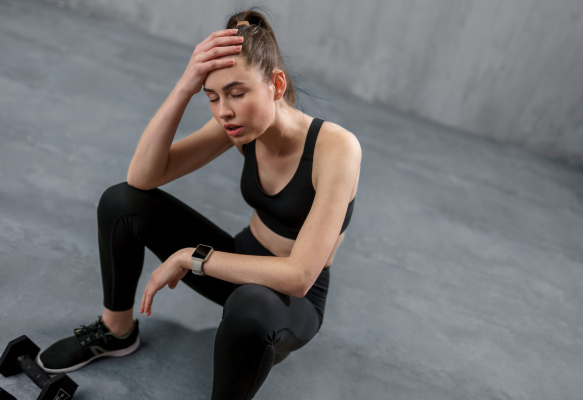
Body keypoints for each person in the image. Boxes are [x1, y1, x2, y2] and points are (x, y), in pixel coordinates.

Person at [36, 9, 361, 399]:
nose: (224, 110)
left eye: (237, 93)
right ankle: (116, 329)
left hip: (291, 300)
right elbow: (143, 178)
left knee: (251, 304)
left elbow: (299, 276)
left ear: (276, 84)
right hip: (240, 260)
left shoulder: (337, 148)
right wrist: (183, 87)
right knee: (121, 201)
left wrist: (191, 258)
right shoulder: (239, 127)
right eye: (212, 97)